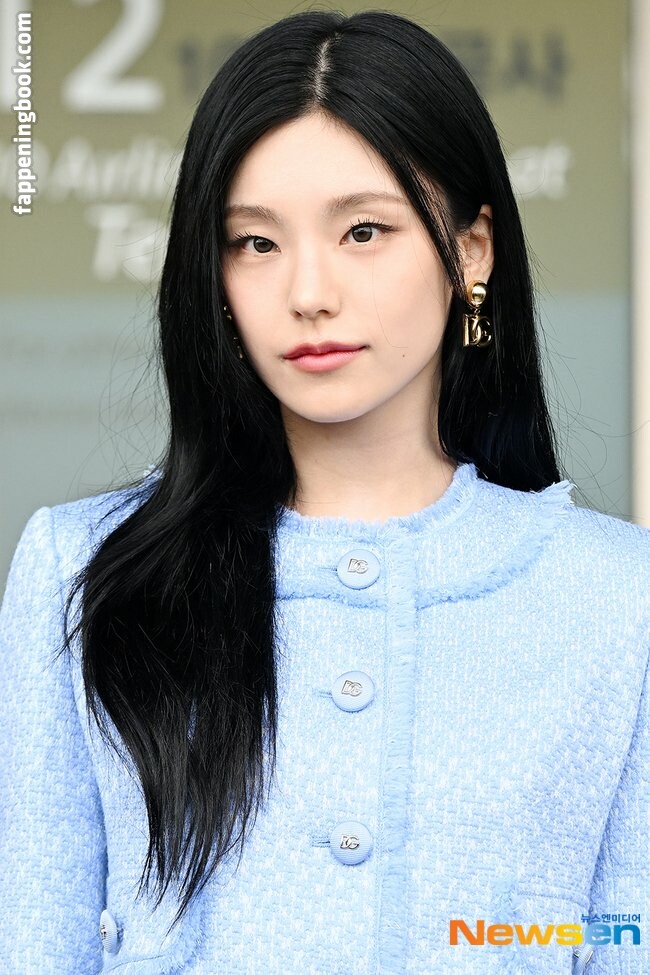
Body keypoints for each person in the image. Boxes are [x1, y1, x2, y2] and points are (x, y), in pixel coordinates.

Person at [0, 9, 647, 975]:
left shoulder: (618, 594)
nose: (308, 291)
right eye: (255, 243)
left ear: (471, 251)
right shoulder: (81, 571)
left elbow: (619, 940)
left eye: (363, 231)